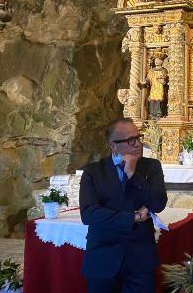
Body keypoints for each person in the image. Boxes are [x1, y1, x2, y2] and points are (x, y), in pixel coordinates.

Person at [79, 118, 167, 293]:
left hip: (139, 260)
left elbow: (158, 203)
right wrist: (133, 217)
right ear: (113, 146)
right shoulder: (93, 172)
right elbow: (89, 214)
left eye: (139, 138)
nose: (138, 144)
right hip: (103, 258)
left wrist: (133, 174)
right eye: (131, 140)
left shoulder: (151, 167)